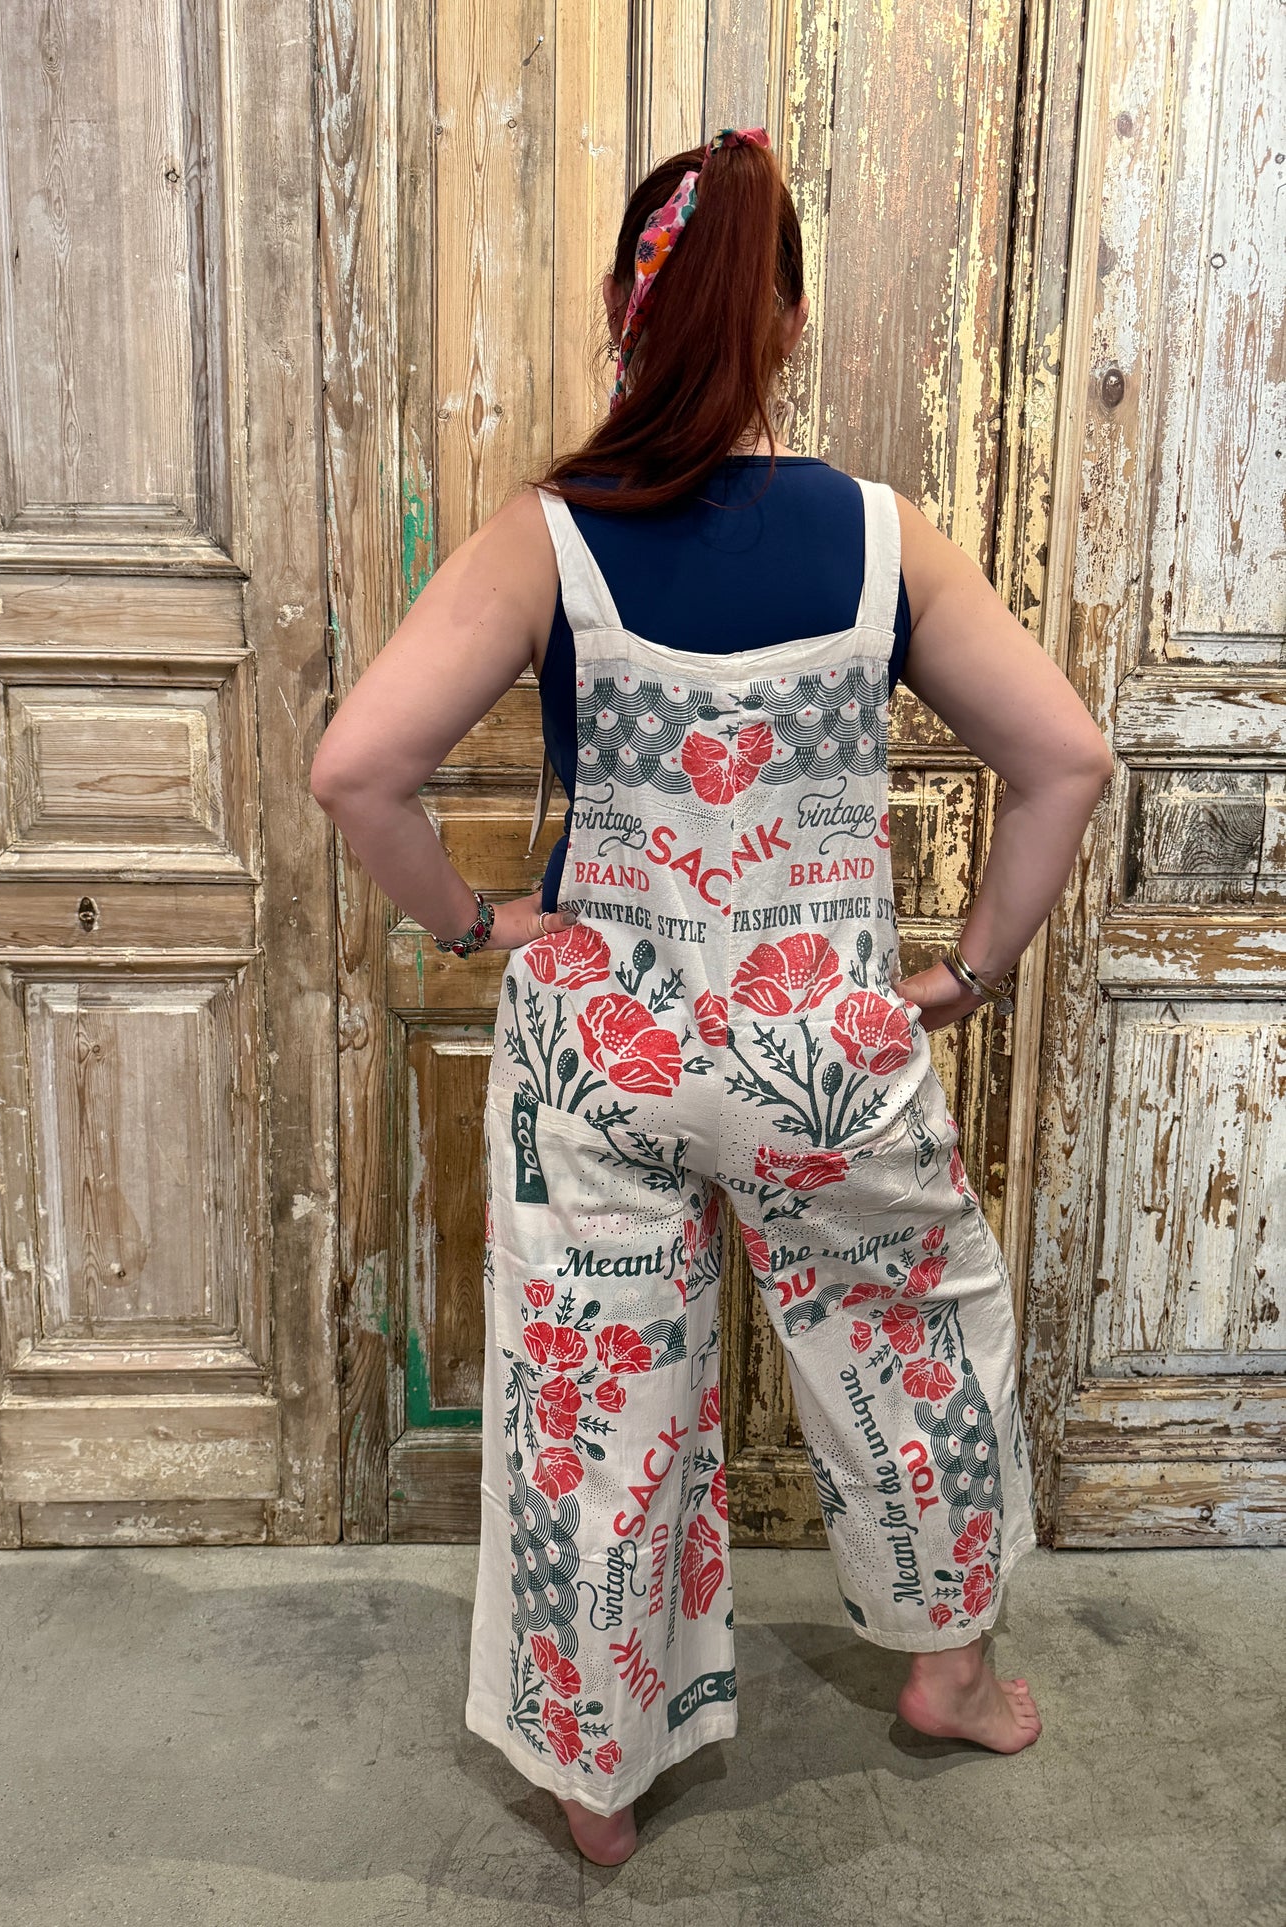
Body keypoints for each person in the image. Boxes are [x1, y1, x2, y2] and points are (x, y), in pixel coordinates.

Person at [311, 128, 1114, 1867]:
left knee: (597, 1396)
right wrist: (965, 972)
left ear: (624, 306)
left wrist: (475, 923)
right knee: (912, 1342)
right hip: (821, 1046)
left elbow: (356, 770)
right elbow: (1064, 759)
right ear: (789, 322)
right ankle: (951, 1677)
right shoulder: (885, 539)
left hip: (603, 1046)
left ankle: (596, 1775)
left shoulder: (545, 540)